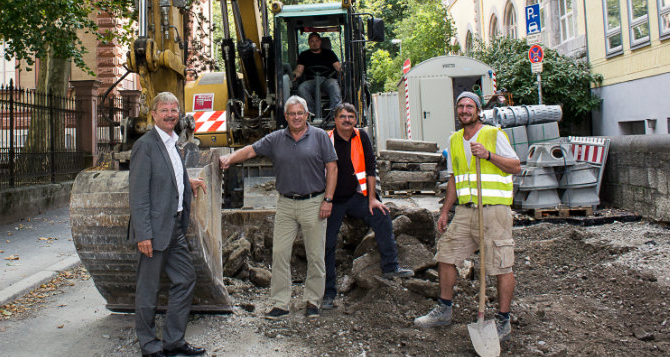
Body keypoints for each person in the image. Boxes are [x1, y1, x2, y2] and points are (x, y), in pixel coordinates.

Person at [413, 91, 521, 342]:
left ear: (478, 110)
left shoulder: (494, 134)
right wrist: (444, 211)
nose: (464, 110)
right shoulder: (454, 140)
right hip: (465, 211)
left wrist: (489, 155)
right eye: (460, 106)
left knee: (501, 265)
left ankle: (503, 320)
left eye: (469, 106)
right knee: (446, 256)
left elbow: (516, 166)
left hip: (494, 211)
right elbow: (454, 178)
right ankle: (444, 309)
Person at [220, 95, 338, 319]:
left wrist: (328, 200)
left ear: (306, 115)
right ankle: (280, 303)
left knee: (315, 255)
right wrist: (229, 158)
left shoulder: (320, 137)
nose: (296, 117)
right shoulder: (275, 139)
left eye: (299, 113)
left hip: (314, 202)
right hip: (285, 204)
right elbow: (251, 150)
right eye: (291, 114)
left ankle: (313, 301)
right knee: (280, 254)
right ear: (285, 116)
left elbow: (332, 169)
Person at [128, 92, 208, 357]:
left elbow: (173, 173)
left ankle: (173, 341)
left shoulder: (173, 142)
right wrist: (143, 234)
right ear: (153, 114)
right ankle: (149, 345)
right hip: (153, 229)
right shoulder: (145, 145)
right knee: (148, 289)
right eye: (164, 110)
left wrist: (188, 183)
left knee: (185, 278)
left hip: (174, 227)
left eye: (174, 110)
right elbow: (138, 194)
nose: (171, 114)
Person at [322, 103, 414, 310]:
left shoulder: (360, 136)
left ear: (355, 120)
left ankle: (391, 267)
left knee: (381, 215)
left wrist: (372, 198)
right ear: (335, 120)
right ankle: (328, 292)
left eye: (350, 117)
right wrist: (324, 201)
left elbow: (370, 167)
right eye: (342, 116)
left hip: (356, 197)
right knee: (327, 242)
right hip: (332, 200)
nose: (347, 120)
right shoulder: (326, 139)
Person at [293, 32, 342, 115]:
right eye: (312, 41)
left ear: (320, 42)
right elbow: (299, 71)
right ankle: (311, 113)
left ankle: (336, 114)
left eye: (316, 41)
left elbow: (337, 67)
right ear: (308, 42)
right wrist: (293, 75)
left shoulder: (329, 53)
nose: (314, 43)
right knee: (302, 88)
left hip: (327, 80)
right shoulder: (304, 55)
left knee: (334, 85)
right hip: (311, 81)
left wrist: (342, 70)